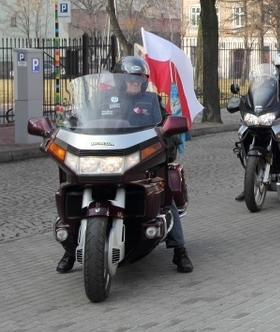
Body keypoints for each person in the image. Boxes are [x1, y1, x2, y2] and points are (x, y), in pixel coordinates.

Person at [56, 56, 193, 274]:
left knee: (165, 193)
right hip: (104, 155)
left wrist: (171, 133)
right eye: (130, 79)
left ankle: (179, 249)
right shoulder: (102, 98)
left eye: (139, 79)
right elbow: (81, 119)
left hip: (138, 158)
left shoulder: (151, 101)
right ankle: (70, 250)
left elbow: (166, 121)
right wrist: (69, 125)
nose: (134, 83)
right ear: (120, 80)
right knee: (75, 187)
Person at [235, 51, 280, 209]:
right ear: (277, 68)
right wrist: (245, 100)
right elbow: (258, 94)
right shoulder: (270, 81)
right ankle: (250, 184)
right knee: (246, 136)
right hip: (269, 120)